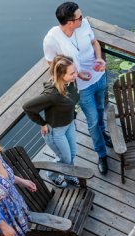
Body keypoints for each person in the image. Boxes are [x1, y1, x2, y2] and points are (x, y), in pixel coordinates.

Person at [43, 1, 112, 175]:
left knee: (101, 108)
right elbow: (52, 66)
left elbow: (95, 43)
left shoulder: (85, 24)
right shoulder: (52, 39)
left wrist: (99, 59)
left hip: (99, 77)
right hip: (82, 87)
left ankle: (103, 134)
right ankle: (101, 154)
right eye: (79, 17)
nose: (83, 18)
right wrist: (78, 74)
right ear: (69, 23)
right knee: (93, 121)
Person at [23, 55, 80, 188]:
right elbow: (27, 107)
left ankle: (68, 175)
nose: (76, 75)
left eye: (75, 71)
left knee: (72, 154)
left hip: (69, 124)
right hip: (56, 132)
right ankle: (52, 175)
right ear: (61, 75)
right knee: (64, 158)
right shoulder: (52, 95)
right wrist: (42, 123)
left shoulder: (70, 83)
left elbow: (71, 103)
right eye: (72, 73)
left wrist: (73, 117)